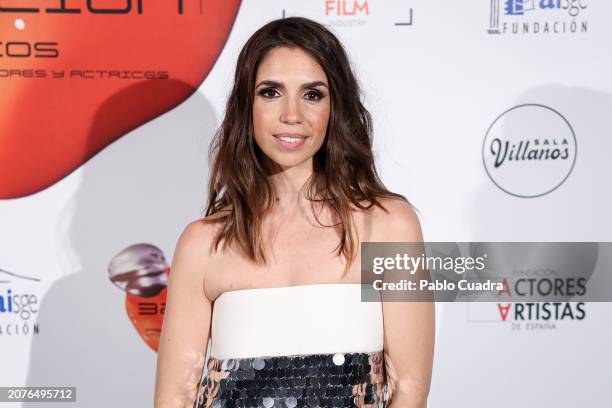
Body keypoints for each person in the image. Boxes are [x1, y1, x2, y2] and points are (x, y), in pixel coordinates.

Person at [154, 16, 434, 408]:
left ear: (336, 106)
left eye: (312, 94)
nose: (292, 114)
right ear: (245, 106)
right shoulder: (204, 243)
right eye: (271, 92)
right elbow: (176, 397)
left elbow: (409, 390)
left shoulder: (389, 226)